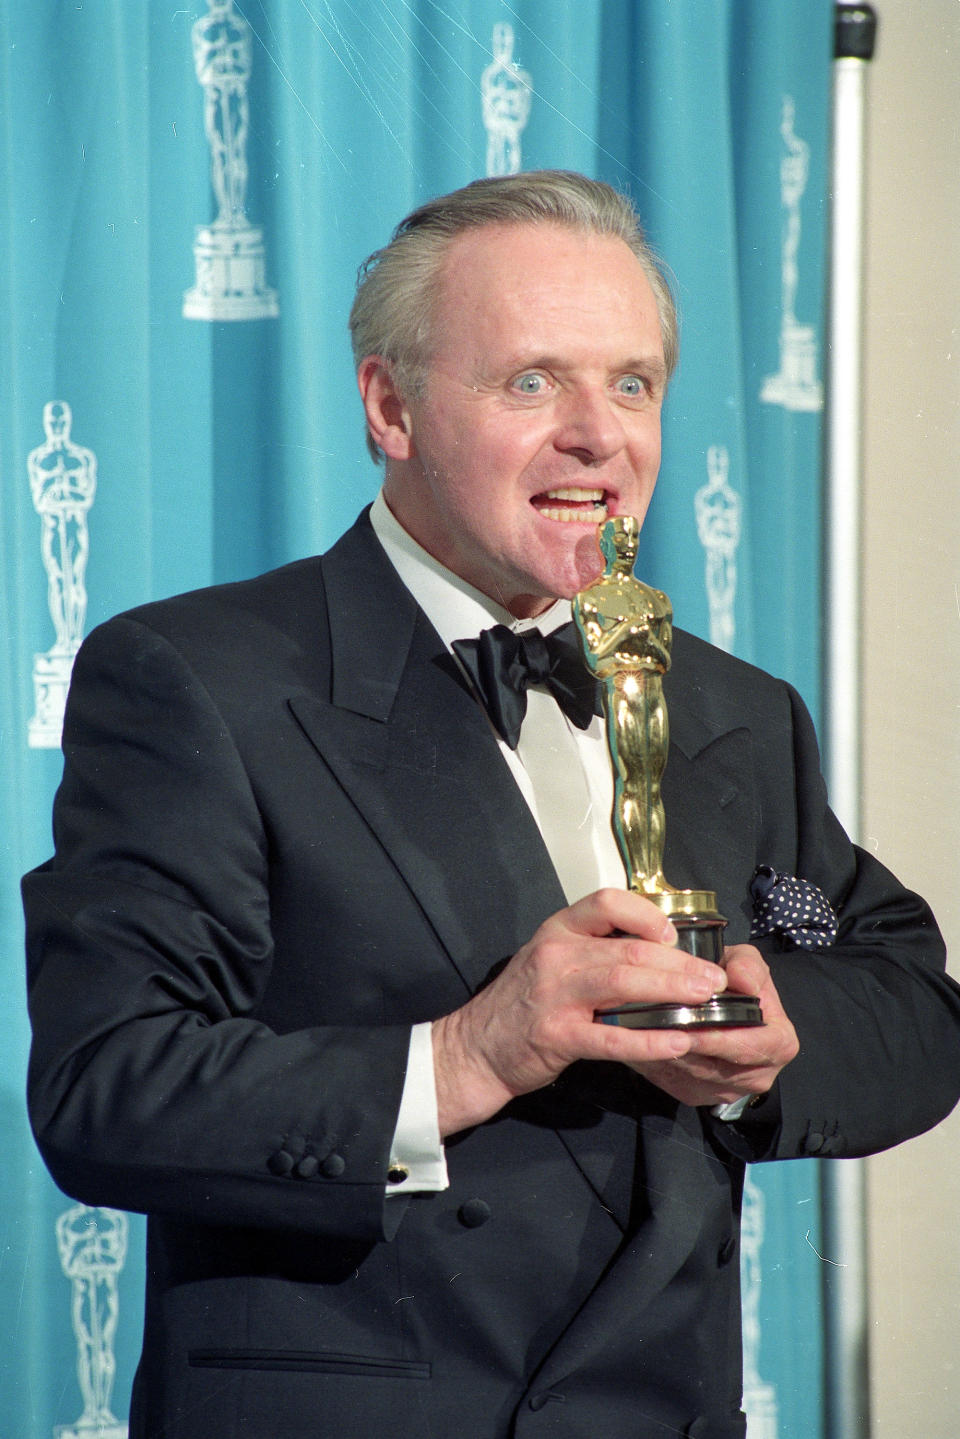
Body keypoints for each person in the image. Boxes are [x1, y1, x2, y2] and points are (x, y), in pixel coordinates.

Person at [24, 171, 960, 1439]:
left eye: (631, 384)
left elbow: (914, 1004)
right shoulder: (202, 678)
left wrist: (767, 1042)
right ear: (390, 406)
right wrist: (468, 1054)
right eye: (533, 381)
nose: (597, 432)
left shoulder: (736, 706)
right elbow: (107, 1087)